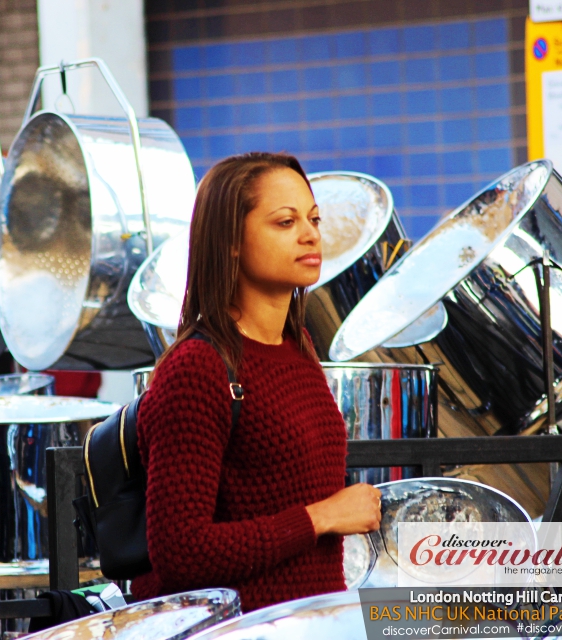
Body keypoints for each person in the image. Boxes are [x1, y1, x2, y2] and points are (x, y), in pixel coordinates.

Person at [131, 152, 382, 612]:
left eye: (314, 218)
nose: (310, 234)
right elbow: (180, 552)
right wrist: (321, 518)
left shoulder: (297, 345)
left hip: (311, 621)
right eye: (285, 222)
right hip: (242, 625)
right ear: (229, 240)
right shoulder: (197, 368)